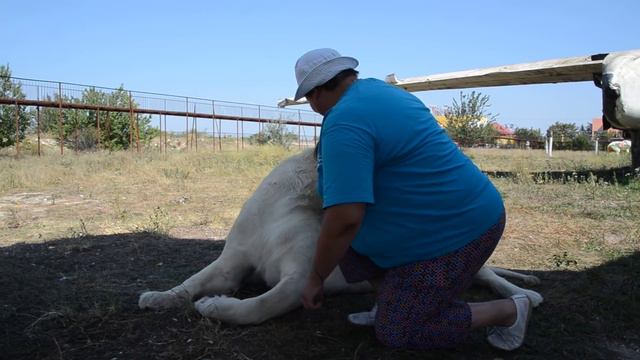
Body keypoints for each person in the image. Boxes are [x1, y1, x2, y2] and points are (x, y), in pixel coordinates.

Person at [294, 48, 532, 351]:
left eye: (309, 100)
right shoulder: (381, 92)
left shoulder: (345, 120)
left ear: (315, 93)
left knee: (399, 331)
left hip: (457, 232)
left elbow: (345, 218)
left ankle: (509, 310)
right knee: (350, 247)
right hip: (451, 215)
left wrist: (315, 278)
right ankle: (392, 301)